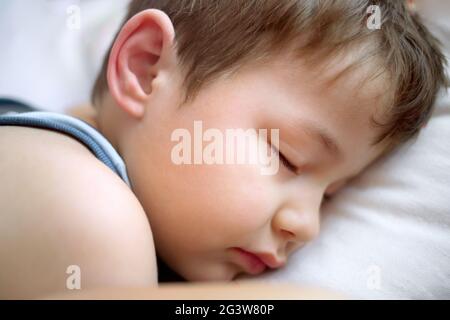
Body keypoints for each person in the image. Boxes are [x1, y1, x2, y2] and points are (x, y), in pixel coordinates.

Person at [0, 0, 447, 299]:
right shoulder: (80, 197)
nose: (307, 226)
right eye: (287, 156)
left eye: (331, 195)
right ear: (146, 69)